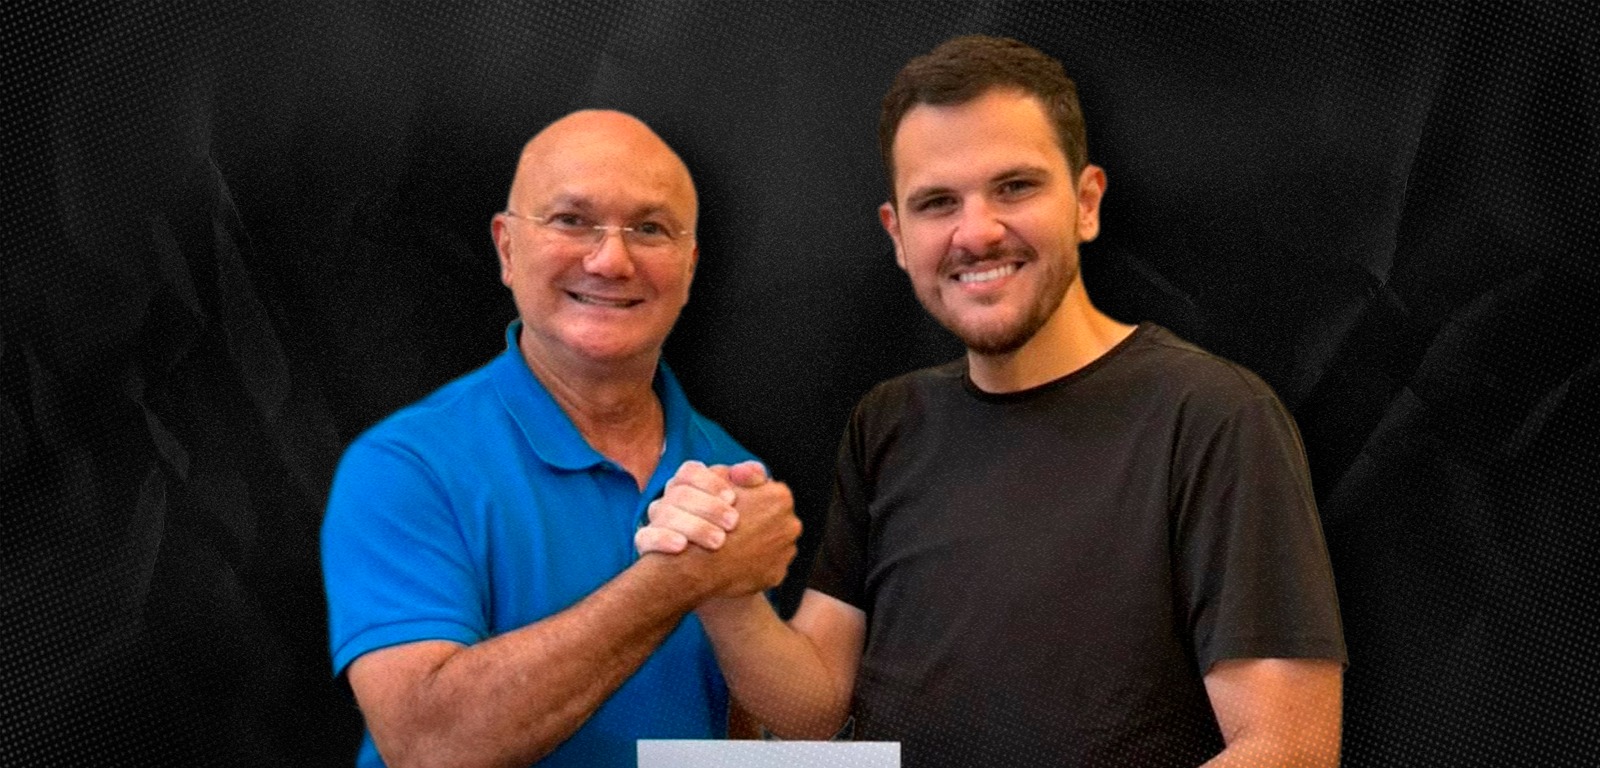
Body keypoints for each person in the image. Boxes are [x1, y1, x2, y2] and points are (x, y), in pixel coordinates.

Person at [636, 35, 1347, 766]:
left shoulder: (1213, 418)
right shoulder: (887, 423)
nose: (976, 233)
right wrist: (721, 590)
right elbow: (816, 711)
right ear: (898, 236)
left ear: (1086, 203)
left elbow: (1289, 750)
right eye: (937, 202)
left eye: (1015, 187)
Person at [320, 110, 801, 768]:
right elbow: (429, 746)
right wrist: (679, 580)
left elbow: (736, 740)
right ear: (507, 249)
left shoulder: (734, 472)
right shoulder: (405, 467)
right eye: (572, 220)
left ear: (689, 268)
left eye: (649, 228)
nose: (611, 260)